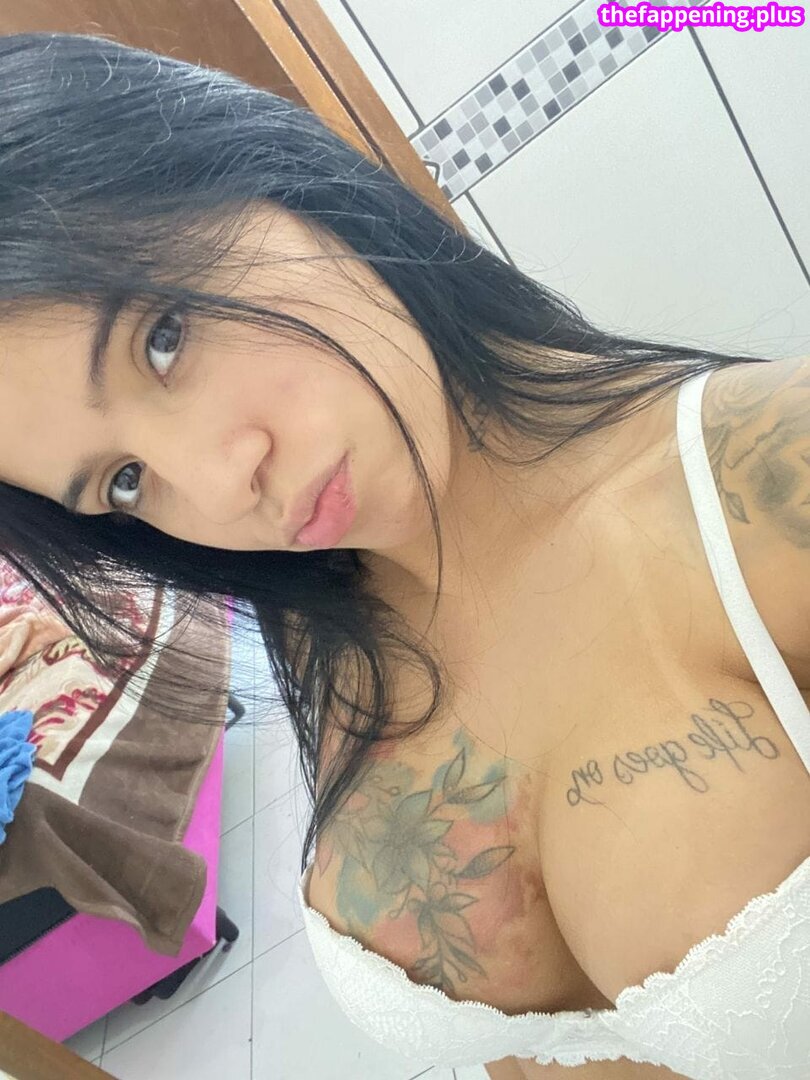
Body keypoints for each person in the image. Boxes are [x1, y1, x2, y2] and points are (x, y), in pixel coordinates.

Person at [0, 31, 807, 1080]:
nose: (219, 488)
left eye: (164, 339)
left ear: (264, 176)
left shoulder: (769, 484)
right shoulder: (320, 609)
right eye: (123, 481)